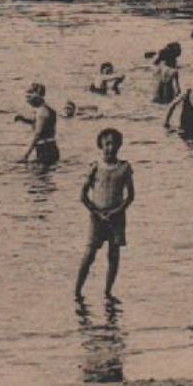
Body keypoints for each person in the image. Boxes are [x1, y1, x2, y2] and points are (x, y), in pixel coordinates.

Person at [74, 127, 135, 300]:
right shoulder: (95, 167)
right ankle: (77, 291)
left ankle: (108, 292)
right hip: (97, 217)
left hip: (117, 218)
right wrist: (96, 212)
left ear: (119, 146)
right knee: (89, 254)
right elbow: (83, 195)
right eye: (107, 144)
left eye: (114, 144)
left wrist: (117, 211)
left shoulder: (125, 167)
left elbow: (130, 196)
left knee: (113, 255)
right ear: (100, 146)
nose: (110, 148)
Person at [15, 83, 59, 168]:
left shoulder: (42, 112)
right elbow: (43, 125)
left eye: (29, 97)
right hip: (50, 147)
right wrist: (24, 120)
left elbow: (38, 134)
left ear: (37, 96)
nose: (28, 101)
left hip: (45, 149)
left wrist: (26, 155)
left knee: (39, 178)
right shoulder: (47, 109)